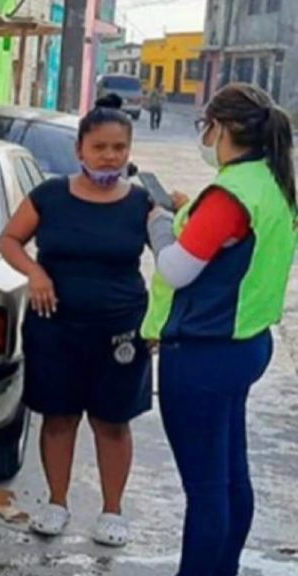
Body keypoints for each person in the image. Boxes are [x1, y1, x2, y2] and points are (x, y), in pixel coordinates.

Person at [144, 83, 297, 576]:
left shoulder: (231, 194)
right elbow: (230, 244)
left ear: (223, 127)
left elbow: (177, 269)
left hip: (203, 355)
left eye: (204, 125)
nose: (203, 135)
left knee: (206, 490)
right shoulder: (270, 181)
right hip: (246, 345)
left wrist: (161, 222)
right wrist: (194, 210)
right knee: (231, 477)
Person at [0, 94, 154, 547]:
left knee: (112, 422)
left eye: (118, 148)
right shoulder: (49, 195)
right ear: (79, 149)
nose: (109, 156)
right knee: (60, 417)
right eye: (100, 147)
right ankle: (57, 503)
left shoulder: (143, 204)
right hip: (55, 327)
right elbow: (8, 240)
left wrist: (159, 322)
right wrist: (36, 272)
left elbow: (174, 259)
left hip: (120, 332)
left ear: (128, 151)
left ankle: (112, 512)